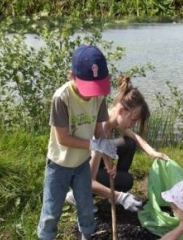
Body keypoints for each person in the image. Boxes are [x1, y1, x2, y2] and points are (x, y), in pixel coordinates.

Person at [36, 44, 118, 240]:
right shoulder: (61, 98)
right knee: (52, 207)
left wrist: (107, 159)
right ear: (72, 75)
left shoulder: (98, 96)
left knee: (85, 204)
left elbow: (100, 131)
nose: (91, 94)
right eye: (87, 87)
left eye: (96, 88)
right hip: (59, 164)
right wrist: (93, 145)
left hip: (82, 164)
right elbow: (62, 138)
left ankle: (88, 238)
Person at [65, 74, 169, 212]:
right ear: (121, 111)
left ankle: (113, 192)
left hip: (92, 163)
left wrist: (153, 153)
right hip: (80, 174)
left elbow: (135, 137)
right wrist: (121, 197)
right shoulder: (99, 130)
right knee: (126, 181)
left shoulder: (113, 119)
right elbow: (88, 180)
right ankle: (78, 196)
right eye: (133, 120)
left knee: (129, 143)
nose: (133, 124)